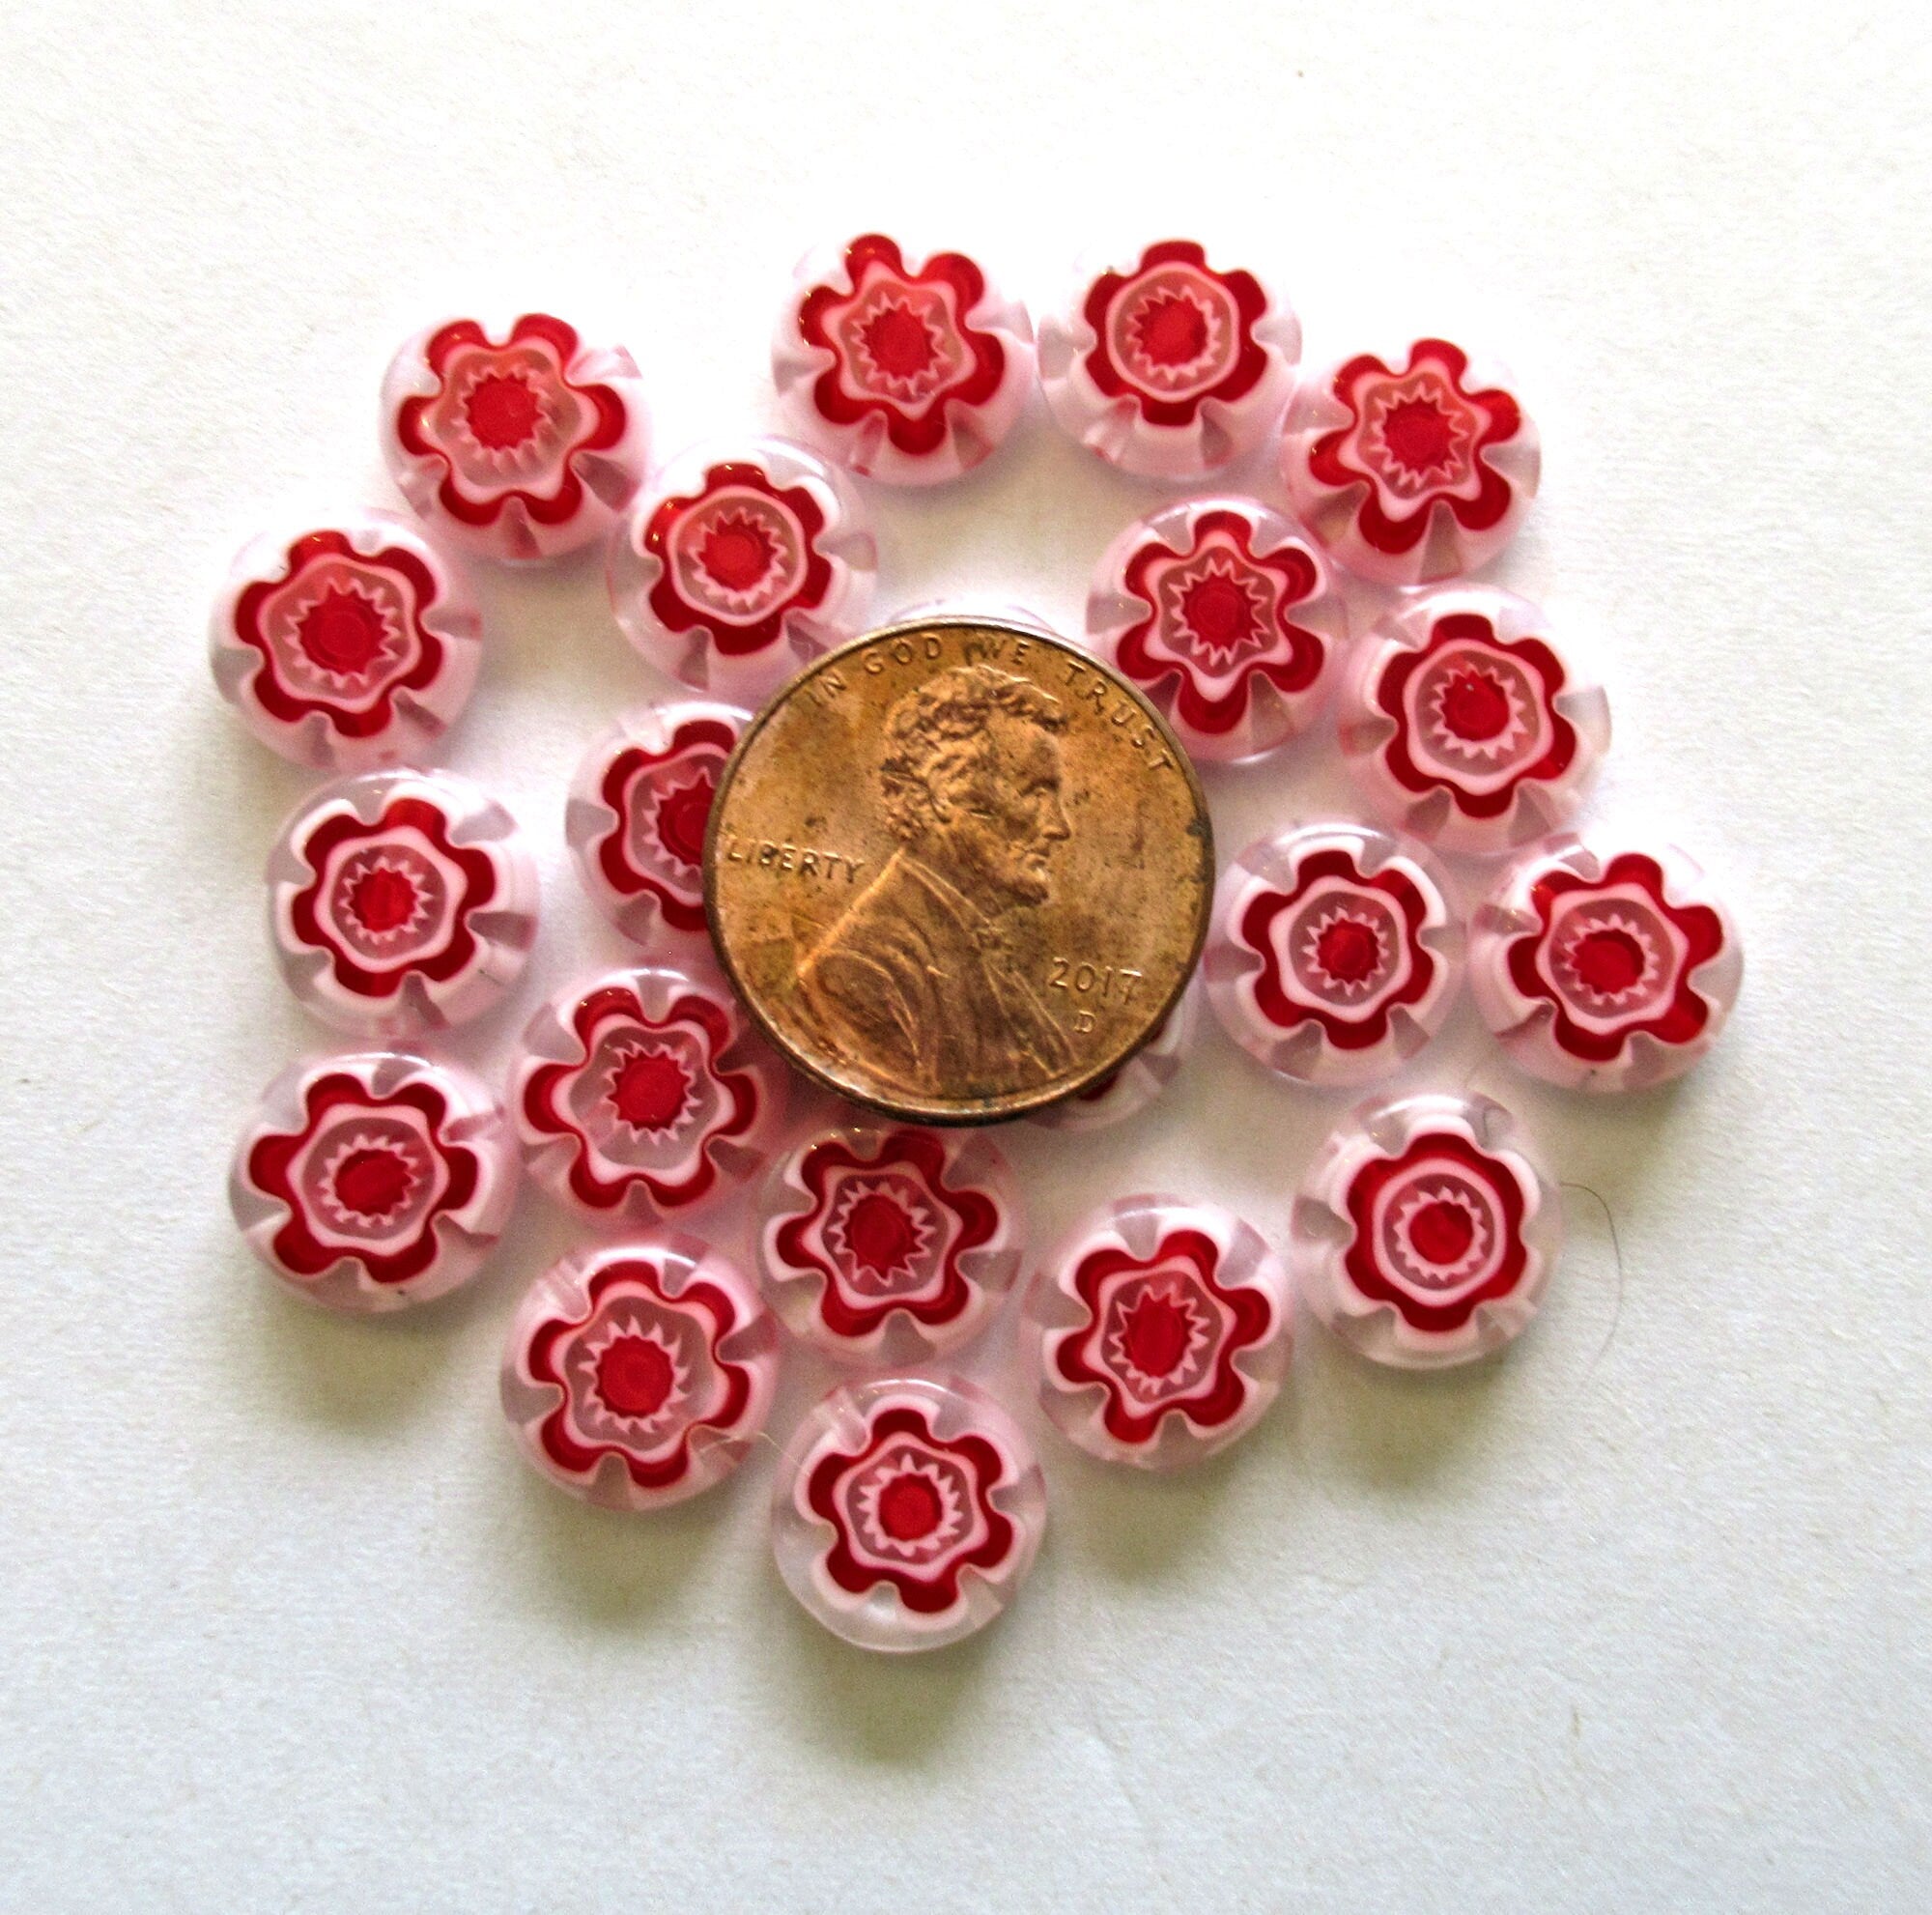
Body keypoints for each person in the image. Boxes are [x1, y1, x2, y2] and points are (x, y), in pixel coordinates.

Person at [795, 663, 1076, 1099]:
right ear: (945, 792)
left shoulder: (974, 947)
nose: (1059, 827)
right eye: (1035, 794)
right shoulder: (859, 974)